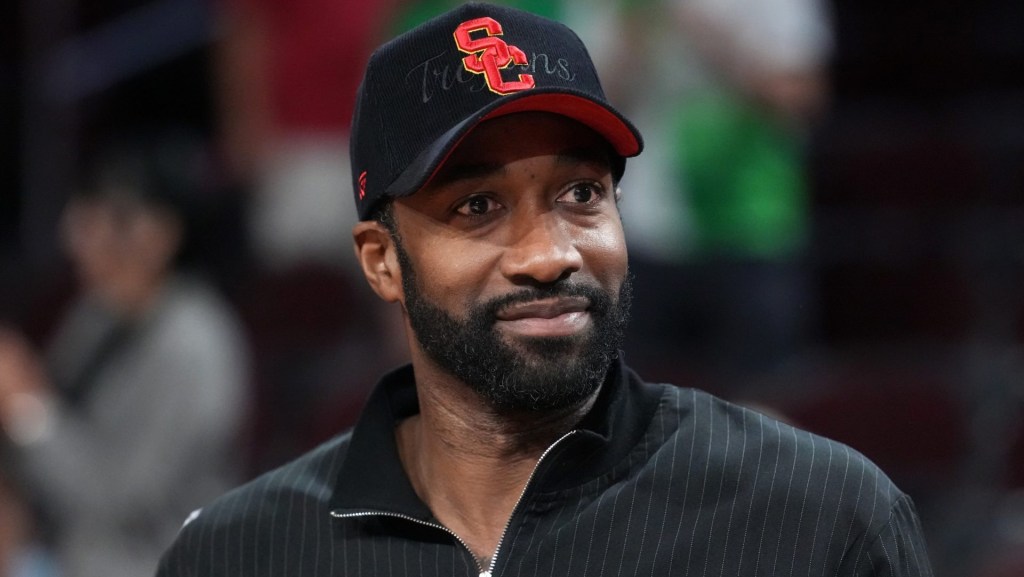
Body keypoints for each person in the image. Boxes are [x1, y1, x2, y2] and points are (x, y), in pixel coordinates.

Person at [156, 3, 933, 575]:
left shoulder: (817, 518)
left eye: (581, 194)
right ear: (382, 261)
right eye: (477, 206)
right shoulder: (241, 555)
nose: (547, 254)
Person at [0, 130, 250, 577]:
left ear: (159, 234)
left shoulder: (195, 341)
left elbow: (126, 500)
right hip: (64, 555)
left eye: (96, 217)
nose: (74, 234)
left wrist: (27, 410)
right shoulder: (95, 314)